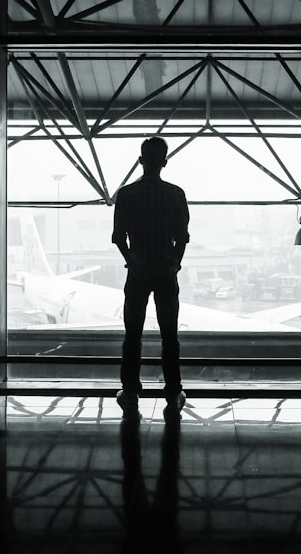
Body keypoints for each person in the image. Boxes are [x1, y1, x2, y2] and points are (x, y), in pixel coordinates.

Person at [112, 137, 190, 414]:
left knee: (133, 333)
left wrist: (131, 260)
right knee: (170, 334)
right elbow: (182, 237)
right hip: (166, 270)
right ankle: (173, 390)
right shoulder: (175, 194)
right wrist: (175, 264)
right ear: (165, 162)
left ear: (141, 160)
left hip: (138, 270)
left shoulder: (127, 194)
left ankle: (130, 390)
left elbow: (119, 238)